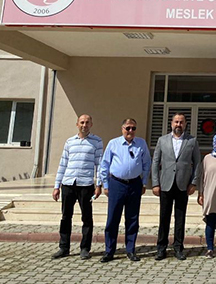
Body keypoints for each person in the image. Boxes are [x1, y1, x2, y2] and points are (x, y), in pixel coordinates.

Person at [51, 114, 103, 260]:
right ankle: (64, 247)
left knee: (87, 218)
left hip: (86, 185)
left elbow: (99, 165)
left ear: (91, 124)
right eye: (82, 122)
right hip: (68, 183)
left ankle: (85, 248)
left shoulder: (97, 141)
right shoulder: (70, 142)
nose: (84, 125)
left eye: (87, 122)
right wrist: (56, 186)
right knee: (66, 217)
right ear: (77, 124)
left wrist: (98, 184)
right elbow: (63, 163)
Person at [99, 118, 151, 263]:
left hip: (134, 184)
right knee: (113, 218)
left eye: (133, 128)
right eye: (128, 128)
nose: (130, 131)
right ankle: (109, 251)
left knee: (132, 218)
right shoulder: (113, 143)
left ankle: (130, 250)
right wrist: (105, 185)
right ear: (122, 129)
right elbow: (104, 165)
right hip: (117, 184)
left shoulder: (141, 143)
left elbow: (147, 163)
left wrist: (144, 183)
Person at [152, 112, 201, 261]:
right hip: (165, 184)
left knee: (180, 218)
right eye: (176, 122)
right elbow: (155, 162)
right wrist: (155, 183)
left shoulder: (191, 141)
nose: (178, 124)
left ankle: (178, 248)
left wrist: (193, 182)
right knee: (164, 218)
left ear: (185, 124)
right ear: (171, 123)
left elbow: (197, 163)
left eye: (181, 122)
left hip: (183, 185)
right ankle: (161, 248)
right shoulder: (162, 140)